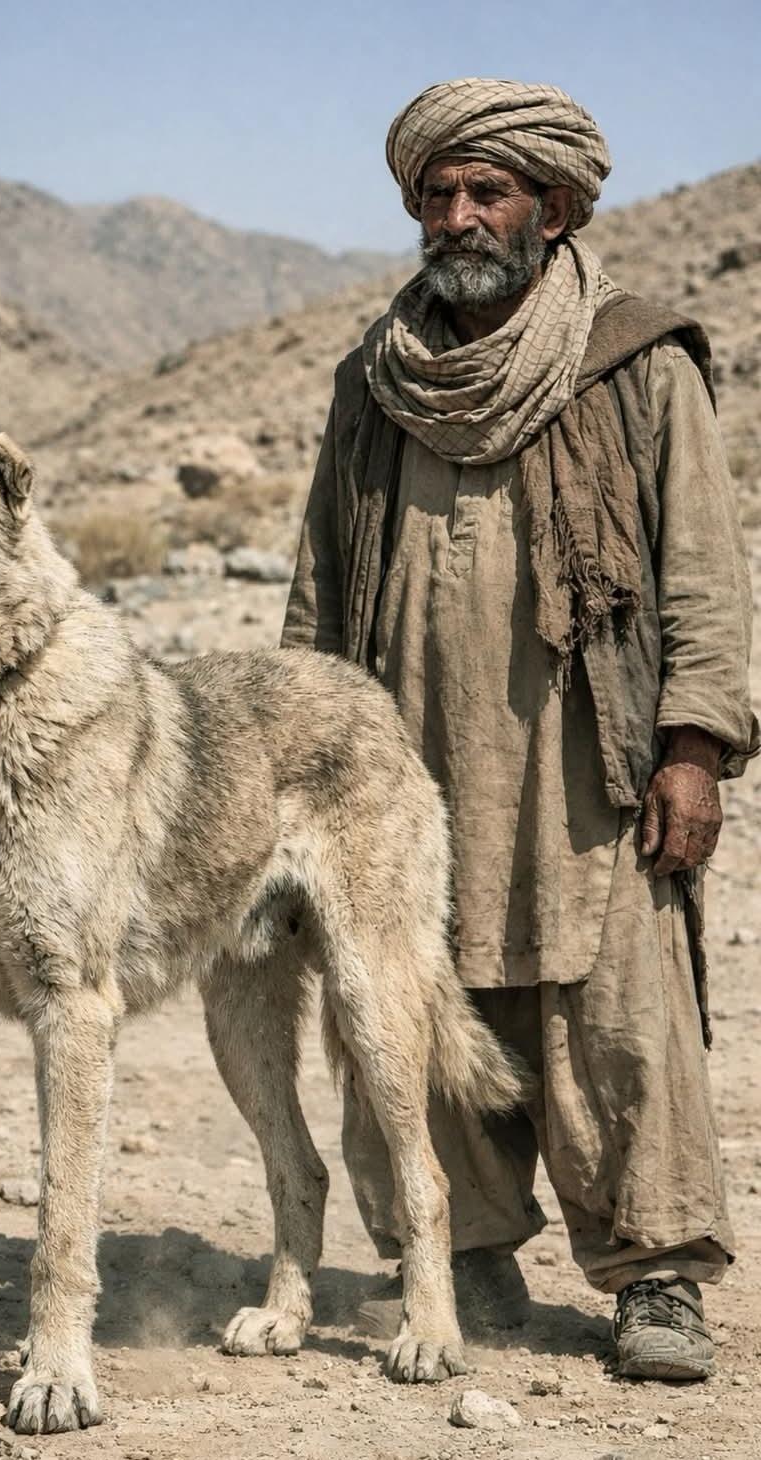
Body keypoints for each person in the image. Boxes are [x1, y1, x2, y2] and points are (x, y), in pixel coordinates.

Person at [280, 77, 757, 1380]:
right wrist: (288, 769)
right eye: (437, 193)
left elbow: (708, 575)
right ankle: (461, 1259)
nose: (458, 215)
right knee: (412, 1008)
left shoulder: (637, 361)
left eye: (488, 191)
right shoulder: (374, 383)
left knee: (620, 1020)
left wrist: (694, 748)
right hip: (398, 767)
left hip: (587, 763)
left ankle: (657, 1276)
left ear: (551, 207)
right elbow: (320, 587)